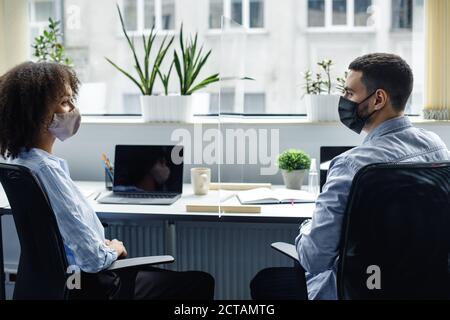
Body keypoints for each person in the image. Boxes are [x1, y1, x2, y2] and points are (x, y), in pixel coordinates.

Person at [0, 61, 214, 300]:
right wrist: (113, 248)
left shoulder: (21, 164)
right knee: (200, 282)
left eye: (72, 99)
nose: (73, 109)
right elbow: (92, 260)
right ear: (35, 114)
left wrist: (102, 246)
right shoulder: (46, 171)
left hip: (63, 285)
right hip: (92, 286)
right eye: (64, 101)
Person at [250, 53, 450, 300]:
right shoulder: (437, 147)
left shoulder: (351, 165)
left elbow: (314, 258)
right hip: (423, 289)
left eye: (349, 93)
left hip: (355, 291)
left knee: (265, 282)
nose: (343, 101)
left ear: (378, 99)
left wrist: (307, 226)